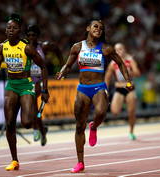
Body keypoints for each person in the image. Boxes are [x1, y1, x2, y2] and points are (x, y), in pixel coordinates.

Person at [55, 20, 133, 173]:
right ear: (88, 28)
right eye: (95, 26)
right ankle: (80, 162)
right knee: (79, 126)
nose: (99, 29)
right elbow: (69, 64)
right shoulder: (77, 47)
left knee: (101, 113)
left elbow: (121, 64)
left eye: (101, 28)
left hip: (99, 87)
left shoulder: (106, 49)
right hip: (82, 89)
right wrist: (62, 72)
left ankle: (94, 126)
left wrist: (127, 81)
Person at [0, 13, 49, 171]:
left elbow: (43, 66)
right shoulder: (1, 47)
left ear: (19, 31)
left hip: (26, 85)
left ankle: (36, 124)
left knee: (26, 123)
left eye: (14, 28)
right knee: (9, 124)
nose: (11, 30)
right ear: (5, 31)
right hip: (11, 85)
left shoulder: (27, 47)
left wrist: (45, 89)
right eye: (8, 28)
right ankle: (15, 160)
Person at [25, 25, 64, 146]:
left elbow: (57, 50)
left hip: (41, 80)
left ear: (37, 36)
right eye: (29, 35)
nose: (31, 37)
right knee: (34, 110)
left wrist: (63, 68)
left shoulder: (43, 46)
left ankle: (37, 128)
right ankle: (41, 130)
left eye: (33, 35)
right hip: (29, 81)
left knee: (33, 106)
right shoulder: (23, 47)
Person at [105, 43, 141, 140]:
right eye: (116, 50)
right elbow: (107, 78)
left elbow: (138, 73)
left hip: (129, 87)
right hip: (119, 87)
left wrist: (131, 72)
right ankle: (122, 104)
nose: (119, 51)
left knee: (131, 112)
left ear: (124, 50)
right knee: (115, 111)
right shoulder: (113, 63)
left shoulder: (130, 60)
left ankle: (131, 131)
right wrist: (106, 90)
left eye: (120, 49)